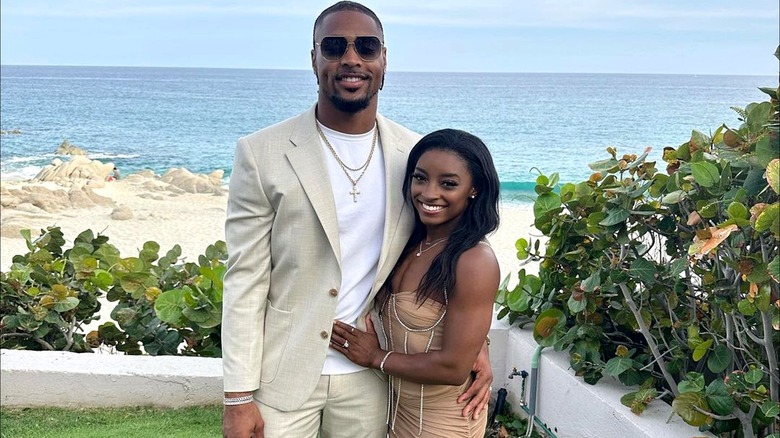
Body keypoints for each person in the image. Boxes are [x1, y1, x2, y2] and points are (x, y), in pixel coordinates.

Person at [221, 2, 493, 437]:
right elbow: (245, 279)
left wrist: (476, 341)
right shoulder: (262, 153)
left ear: (383, 60)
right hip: (282, 375)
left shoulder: (413, 154)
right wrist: (237, 397)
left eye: (366, 47)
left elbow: (450, 246)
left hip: (369, 376)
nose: (351, 59)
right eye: (334, 47)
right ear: (314, 59)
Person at [331, 129, 501, 437]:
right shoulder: (410, 240)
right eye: (420, 178)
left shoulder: (474, 260)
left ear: (474, 188)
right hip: (396, 413)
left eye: (448, 184)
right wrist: (479, 343)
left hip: (444, 422)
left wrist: (374, 357)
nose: (428, 193)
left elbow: (453, 368)